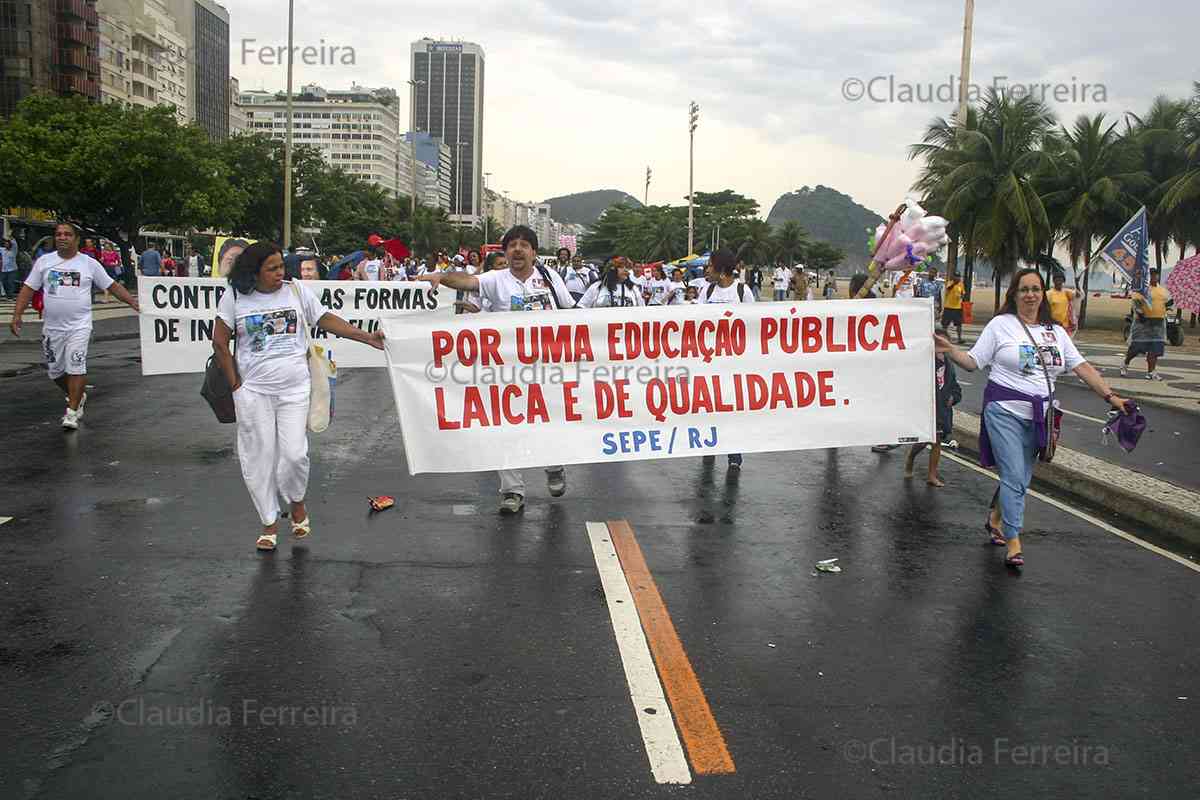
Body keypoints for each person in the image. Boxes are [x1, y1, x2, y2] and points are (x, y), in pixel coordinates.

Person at [937, 268, 1129, 569]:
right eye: (1024, 289)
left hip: (1041, 416)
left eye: (1035, 289)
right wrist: (950, 350)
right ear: (1014, 294)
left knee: (1021, 477)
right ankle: (1013, 540)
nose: (1030, 294)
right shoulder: (1001, 325)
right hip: (1004, 411)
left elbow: (1082, 367)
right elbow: (974, 363)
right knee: (1014, 475)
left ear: (1043, 294)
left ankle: (995, 518)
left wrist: (1111, 396)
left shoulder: (1056, 332)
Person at [212, 242, 385, 551]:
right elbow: (220, 343)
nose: (281, 273)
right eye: (273, 268)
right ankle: (268, 522)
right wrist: (236, 384)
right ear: (254, 272)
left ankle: (297, 502)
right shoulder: (235, 296)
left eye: (282, 266)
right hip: (253, 392)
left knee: (294, 454)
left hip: (294, 389)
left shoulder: (295, 291)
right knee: (258, 457)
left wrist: (365, 336)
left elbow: (325, 319)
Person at [418, 226, 574, 513]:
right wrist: (442, 276)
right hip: (505, 370)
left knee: (550, 420)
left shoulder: (550, 279)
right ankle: (512, 491)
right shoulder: (495, 279)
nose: (517, 249)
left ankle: (554, 466)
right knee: (507, 426)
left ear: (534, 252)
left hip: (547, 367)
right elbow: (466, 281)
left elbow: (571, 311)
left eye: (524, 245)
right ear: (504, 252)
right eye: (511, 245)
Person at [8, 222, 140, 430]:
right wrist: (17, 314)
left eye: (67, 234)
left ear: (76, 239)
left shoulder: (89, 264)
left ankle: (72, 411)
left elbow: (111, 286)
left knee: (76, 365)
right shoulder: (44, 262)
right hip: (52, 329)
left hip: (79, 326)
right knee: (56, 372)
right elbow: (28, 289)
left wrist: (132, 301)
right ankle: (77, 395)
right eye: (58, 234)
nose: (62, 237)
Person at [697, 248, 753, 472]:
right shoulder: (707, 290)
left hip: (734, 363)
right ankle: (708, 446)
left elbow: (754, 325)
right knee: (708, 405)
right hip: (709, 361)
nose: (707, 269)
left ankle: (734, 455)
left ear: (721, 268)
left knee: (731, 409)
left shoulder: (742, 291)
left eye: (710, 265)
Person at [905, 327, 962, 487]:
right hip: (927, 409)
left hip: (943, 411)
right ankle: (911, 457)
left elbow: (955, 387)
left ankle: (932, 475)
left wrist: (954, 397)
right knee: (923, 441)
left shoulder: (950, 365)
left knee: (936, 442)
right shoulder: (926, 362)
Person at [1121, 270, 1170, 380]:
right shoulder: (1142, 290)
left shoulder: (1163, 291)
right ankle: (1125, 363)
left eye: (1156, 275)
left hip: (1158, 323)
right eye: (1152, 275)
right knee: (1136, 348)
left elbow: (1165, 303)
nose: (1154, 277)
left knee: (1155, 349)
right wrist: (1140, 313)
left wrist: (1167, 305)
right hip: (1143, 323)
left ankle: (1151, 372)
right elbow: (1135, 303)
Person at [578, 257, 645, 308]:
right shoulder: (598, 286)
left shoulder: (633, 289)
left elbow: (642, 309)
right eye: (622, 267)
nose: (626, 271)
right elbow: (582, 307)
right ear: (613, 269)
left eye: (627, 268)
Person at [941, 272, 966, 343]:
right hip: (948, 307)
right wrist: (954, 283)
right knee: (945, 324)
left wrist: (961, 297)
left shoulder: (961, 284)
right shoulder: (950, 283)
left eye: (959, 276)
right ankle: (944, 339)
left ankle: (959, 338)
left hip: (957, 307)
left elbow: (963, 293)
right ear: (953, 277)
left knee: (959, 324)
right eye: (956, 276)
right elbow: (948, 288)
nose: (957, 278)